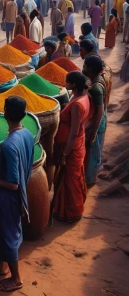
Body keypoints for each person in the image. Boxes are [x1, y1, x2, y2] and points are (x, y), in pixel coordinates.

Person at [0, 96, 34, 292]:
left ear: (5, 113)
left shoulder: (9, 145)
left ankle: (16, 279)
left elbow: (12, 184)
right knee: (10, 231)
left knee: (8, 235)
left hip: (8, 197)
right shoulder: (27, 134)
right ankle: (2, 264)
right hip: (20, 191)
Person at [53, 71, 90, 222]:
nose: (65, 84)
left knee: (71, 181)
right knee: (71, 178)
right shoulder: (82, 96)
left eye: (67, 82)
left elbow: (73, 132)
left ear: (73, 84)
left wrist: (64, 154)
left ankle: (72, 212)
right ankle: (64, 209)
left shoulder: (76, 105)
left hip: (72, 147)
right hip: (78, 142)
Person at [84, 56, 108, 187]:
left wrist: (92, 135)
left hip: (97, 124)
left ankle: (90, 180)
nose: (84, 68)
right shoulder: (97, 80)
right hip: (99, 121)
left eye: (85, 66)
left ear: (90, 69)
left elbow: (99, 111)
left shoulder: (96, 88)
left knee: (93, 152)